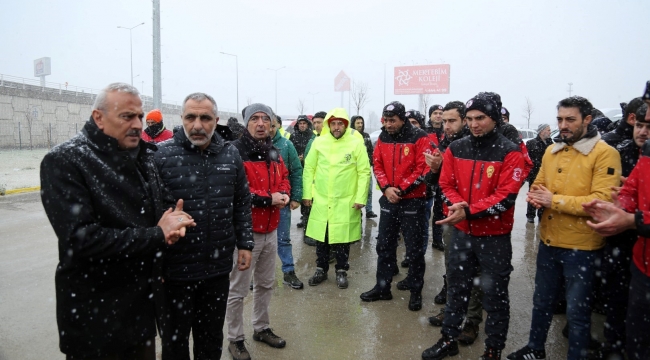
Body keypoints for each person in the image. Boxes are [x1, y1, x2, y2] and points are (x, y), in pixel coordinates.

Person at [40, 82, 195, 360]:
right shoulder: (65, 160)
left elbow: (162, 203)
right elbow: (80, 239)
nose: (137, 124)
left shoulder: (142, 155)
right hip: (96, 322)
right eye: (127, 116)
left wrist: (176, 217)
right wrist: (158, 235)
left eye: (140, 116)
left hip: (141, 314)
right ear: (98, 117)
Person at [508, 96, 621, 360]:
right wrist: (536, 195)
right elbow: (537, 184)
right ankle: (535, 349)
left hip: (582, 248)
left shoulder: (605, 153)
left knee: (577, 312)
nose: (563, 125)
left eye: (570, 119)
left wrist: (553, 200)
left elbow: (602, 202)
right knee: (542, 302)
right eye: (560, 119)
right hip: (548, 243)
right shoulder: (551, 151)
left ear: (587, 120)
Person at [422, 93, 524, 360]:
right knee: (456, 289)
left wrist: (468, 210)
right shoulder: (457, 148)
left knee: (495, 297)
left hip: (494, 237)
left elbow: (506, 196)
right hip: (462, 234)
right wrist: (458, 206)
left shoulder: (509, 151)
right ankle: (448, 339)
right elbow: (445, 184)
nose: (474, 124)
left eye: (481, 118)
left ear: (495, 118)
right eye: (470, 119)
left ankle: (493, 349)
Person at [153, 92, 254, 359]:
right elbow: (150, 212)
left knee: (210, 341)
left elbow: (242, 200)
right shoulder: (161, 157)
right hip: (175, 272)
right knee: (175, 345)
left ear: (216, 120)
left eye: (205, 118)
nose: (198, 125)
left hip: (217, 270)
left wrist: (245, 242)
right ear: (181, 119)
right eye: (191, 117)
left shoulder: (230, 154)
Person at [226, 103, 290, 360]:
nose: (261, 123)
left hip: (271, 229)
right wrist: (268, 199)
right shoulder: (234, 152)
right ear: (246, 123)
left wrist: (284, 193)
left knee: (265, 284)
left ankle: (261, 328)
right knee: (238, 290)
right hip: (245, 233)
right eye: (255, 119)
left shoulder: (274, 151)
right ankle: (235, 338)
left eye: (266, 118)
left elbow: (284, 177)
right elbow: (235, 192)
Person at [360, 101, 433, 312]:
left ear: (402, 119)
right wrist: (386, 189)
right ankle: (383, 287)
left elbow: (423, 169)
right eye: (385, 120)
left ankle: (416, 290)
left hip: (413, 201)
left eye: (392, 121)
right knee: (384, 245)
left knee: (414, 249)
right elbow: (378, 164)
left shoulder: (420, 137)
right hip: (389, 199)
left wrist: (400, 190)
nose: (388, 125)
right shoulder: (382, 137)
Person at [427, 101, 486, 347]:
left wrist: (469, 208)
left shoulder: (477, 145)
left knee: (476, 275)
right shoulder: (447, 143)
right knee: (454, 270)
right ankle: (453, 313)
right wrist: (434, 169)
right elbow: (437, 183)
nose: (447, 125)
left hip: (478, 217)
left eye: (452, 121)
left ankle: (471, 321)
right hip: (450, 215)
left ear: (464, 120)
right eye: (444, 121)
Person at [304, 108, 370, 288]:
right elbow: (309, 168)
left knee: (342, 238)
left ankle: (341, 270)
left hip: (345, 200)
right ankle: (321, 269)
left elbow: (364, 172)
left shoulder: (356, 144)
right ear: (328, 125)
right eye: (333, 123)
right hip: (322, 199)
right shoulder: (319, 142)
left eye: (340, 123)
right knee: (322, 237)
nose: (336, 127)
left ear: (346, 124)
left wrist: (360, 197)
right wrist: (307, 193)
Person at [270, 115, 304, 289]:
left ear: (277, 125)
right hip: (258, 203)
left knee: (283, 239)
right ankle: (257, 274)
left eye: (272, 125)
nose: (268, 128)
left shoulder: (286, 145)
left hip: (282, 201)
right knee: (258, 241)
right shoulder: (251, 146)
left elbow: (296, 171)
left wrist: (296, 196)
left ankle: (288, 271)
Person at [525, 123, 553, 223]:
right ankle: (530, 215)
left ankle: (541, 215)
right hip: (534, 173)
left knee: (543, 194)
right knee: (533, 193)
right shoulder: (531, 143)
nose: (550, 132)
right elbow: (527, 160)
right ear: (542, 131)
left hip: (547, 175)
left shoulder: (551, 144)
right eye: (548, 130)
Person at [351, 114, 377, 218]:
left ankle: (369, 210)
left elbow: (370, 151)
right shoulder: (350, 136)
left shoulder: (366, 135)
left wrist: (370, 162)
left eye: (361, 123)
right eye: (358, 123)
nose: (360, 125)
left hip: (365, 167)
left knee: (368, 189)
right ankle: (357, 210)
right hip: (353, 169)